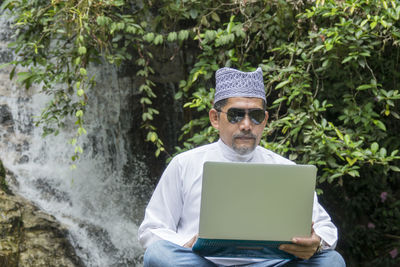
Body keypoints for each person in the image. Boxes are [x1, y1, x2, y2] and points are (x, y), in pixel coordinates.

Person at [138, 67, 346, 267]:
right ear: (215, 118)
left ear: (264, 120)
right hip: (202, 263)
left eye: (255, 116)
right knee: (158, 255)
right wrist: (186, 244)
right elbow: (152, 229)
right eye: (236, 115)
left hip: (272, 264)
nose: (246, 125)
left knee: (332, 261)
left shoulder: (286, 169)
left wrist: (316, 242)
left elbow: (325, 228)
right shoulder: (185, 164)